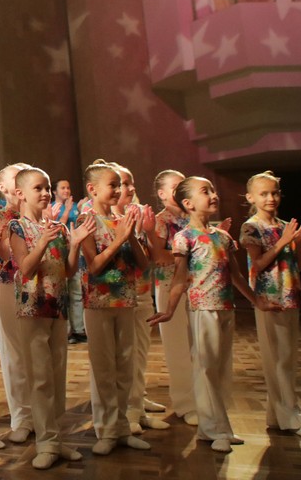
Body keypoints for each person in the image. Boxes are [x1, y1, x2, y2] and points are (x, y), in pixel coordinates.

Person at [150, 176, 261, 453]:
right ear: (188, 203)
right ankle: (213, 429)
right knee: (206, 368)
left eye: (213, 190)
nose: (213, 195)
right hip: (202, 309)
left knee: (221, 369)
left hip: (225, 308)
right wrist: (169, 310)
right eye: (205, 191)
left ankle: (218, 426)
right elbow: (179, 278)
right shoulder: (184, 237)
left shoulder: (223, 237)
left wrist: (257, 301)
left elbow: (236, 275)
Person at [9, 167, 89, 469]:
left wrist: (75, 244)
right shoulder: (17, 227)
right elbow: (25, 268)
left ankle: (57, 439)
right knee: (40, 377)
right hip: (33, 308)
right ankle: (45, 441)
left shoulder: (59, 228)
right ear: (21, 194)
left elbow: (68, 270)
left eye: (46, 188)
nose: (45, 193)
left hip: (58, 308)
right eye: (38, 188)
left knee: (57, 376)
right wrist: (42, 240)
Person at [240, 171, 301, 440]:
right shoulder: (251, 227)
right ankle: (293, 416)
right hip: (269, 299)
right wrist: (284, 242)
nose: (271, 198)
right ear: (251, 197)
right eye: (264, 193)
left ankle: (277, 416)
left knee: (286, 358)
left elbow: (298, 265)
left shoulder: (284, 225)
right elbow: (258, 265)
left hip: (290, 296)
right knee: (279, 359)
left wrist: (297, 244)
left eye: (274, 192)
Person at [79, 161, 151, 456]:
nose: (119, 190)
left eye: (119, 185)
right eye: (113, 185)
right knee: (104, 369)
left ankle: (122, 427)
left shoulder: (123, 220)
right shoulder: (86, 220)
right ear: (92, 189)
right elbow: (94, 266)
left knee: (125, 367)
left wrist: (130, 234)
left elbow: (144, 265)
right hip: (98, 303)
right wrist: (120, 237)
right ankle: (106, 430)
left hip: (126, 301)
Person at [112, 164, 170, 435]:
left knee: (140, 353)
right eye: (124, 183)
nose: (130, 188)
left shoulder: (138, 213)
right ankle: (129, 411)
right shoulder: (106, 217)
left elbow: (150, 259)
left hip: (143, 292)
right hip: (120, 295)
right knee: (125, 356)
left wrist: (147, 231)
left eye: (130, 182)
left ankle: (138, 404)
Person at [149, 169, 198, 425]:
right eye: (176, 186)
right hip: (169, 286)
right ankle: (185, 403)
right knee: (177, 346)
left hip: (197, 286)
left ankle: (203, 400)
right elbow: (159, 256)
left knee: (198, 345)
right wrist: (188, 255)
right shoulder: (161, 221)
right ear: (162, 193)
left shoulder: (193, 217)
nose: (181, 191)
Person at [0, 163, 33, 444]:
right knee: (15, 352)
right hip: (9, 285)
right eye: (16, 177)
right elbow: (8, 255)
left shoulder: (38, 214)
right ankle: (21, 416)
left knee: (37, 350)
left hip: (37, 285)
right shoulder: (0, 218)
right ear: (3, 187)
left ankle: (41, 413)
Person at [51, 179, 85, 344]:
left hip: (75, 252)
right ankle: (66, 332)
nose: (66, 190)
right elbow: (57, 228)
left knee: (77, 291)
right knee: (62, 293)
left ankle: (79, 330)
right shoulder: (51, 208)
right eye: (62, 188)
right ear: (54, 191)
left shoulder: (76, 206)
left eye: (68, 187)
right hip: (59, 252)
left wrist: (79, 210)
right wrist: (67, 211)